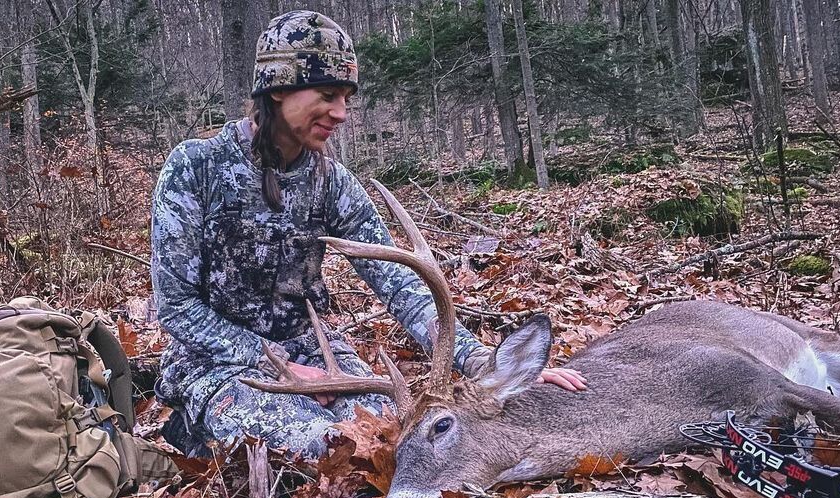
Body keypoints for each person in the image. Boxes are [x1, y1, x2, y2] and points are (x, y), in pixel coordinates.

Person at [151, 10, 585, 458]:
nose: (341, 113)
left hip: (316, 352)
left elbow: (401, 285)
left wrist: (482, 365)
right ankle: (192, 428)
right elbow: (176, 307)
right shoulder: (195, 168)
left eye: (346, 98)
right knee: (322, 447)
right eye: (327, 95)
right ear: (277, 89)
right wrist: (277, 365)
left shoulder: (332, 182)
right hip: (217, 363)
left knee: (386, 437)